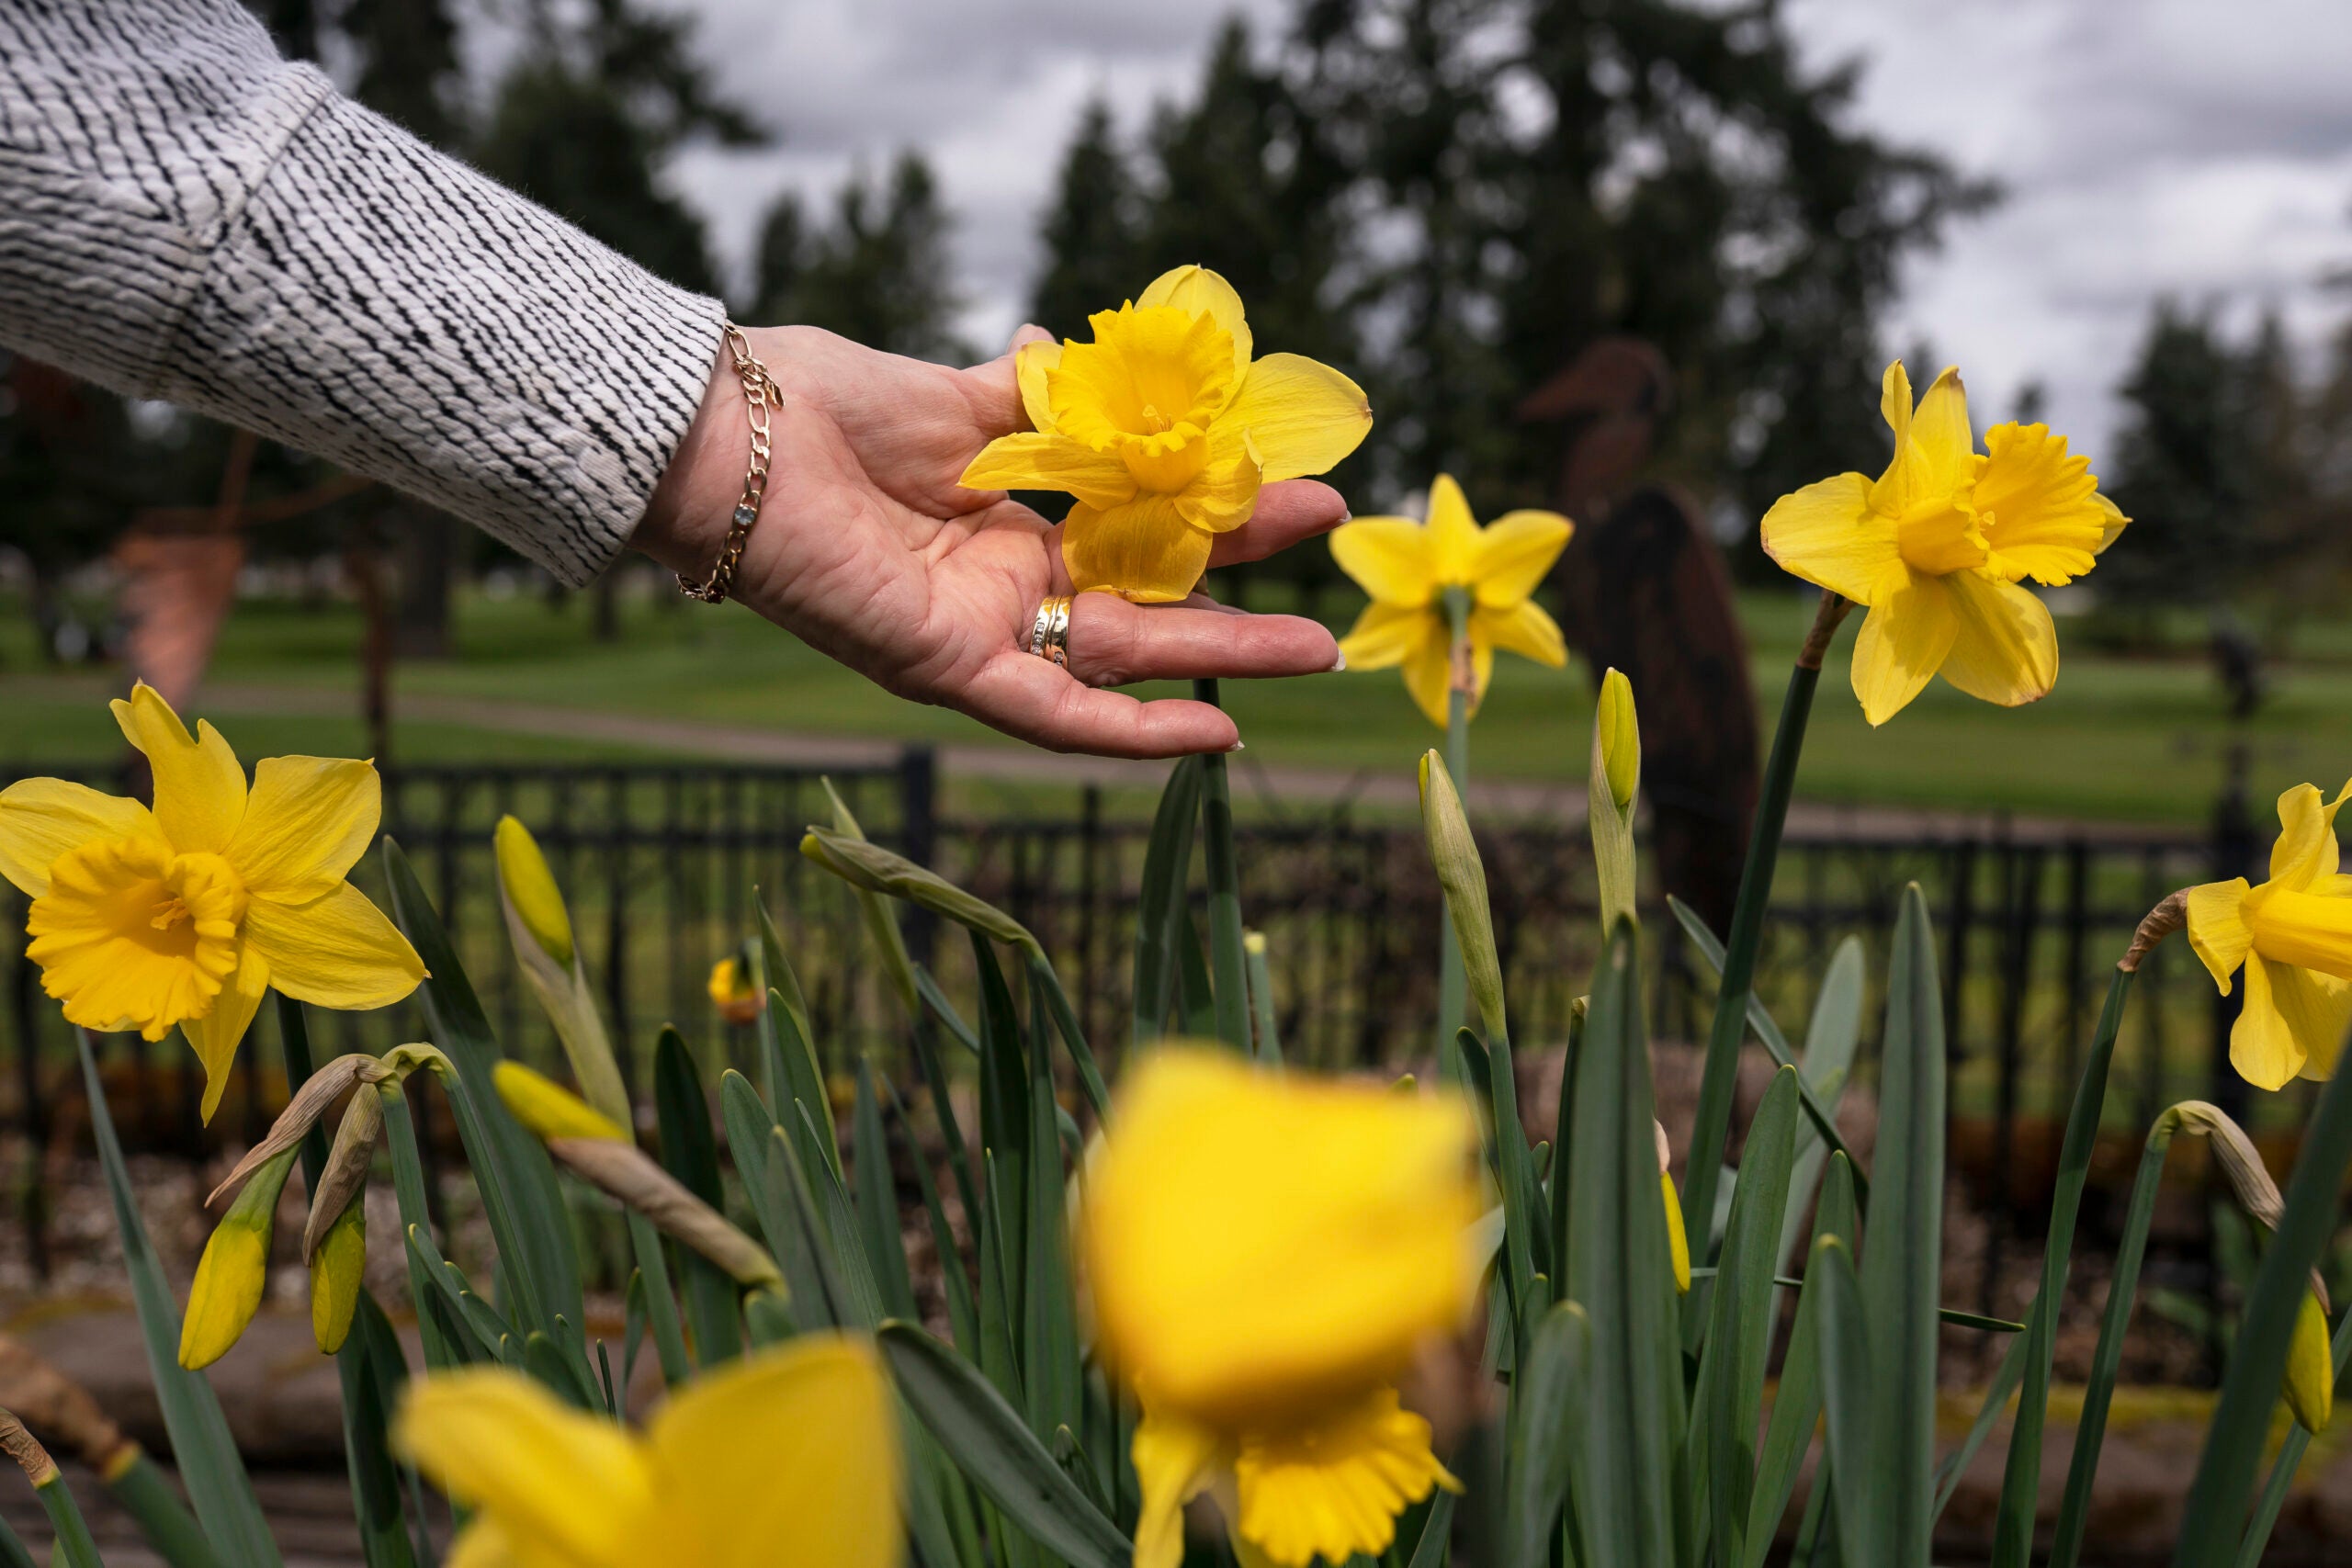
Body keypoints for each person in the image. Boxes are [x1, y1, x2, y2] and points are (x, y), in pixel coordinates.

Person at [0, 0, 1347, 758]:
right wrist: (708, 428)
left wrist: (702, 428)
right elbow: (130, 131)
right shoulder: (1043, 459)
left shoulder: (1145, 446)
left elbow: (121, 126)